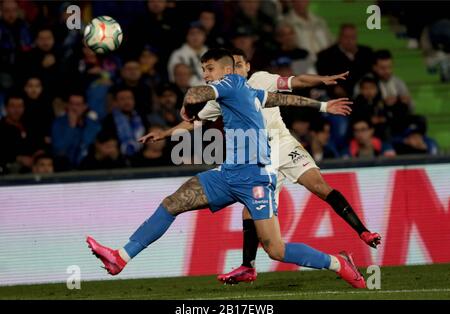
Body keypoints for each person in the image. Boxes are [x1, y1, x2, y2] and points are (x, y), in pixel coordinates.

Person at [86, 48, 365, 289]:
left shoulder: (230, 83)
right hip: (228, 174)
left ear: (227, 69)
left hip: (256, 178)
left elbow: (198, 91)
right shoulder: (247, 91)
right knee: (173, 203)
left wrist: (188, 102)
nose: (206, 74)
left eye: (209, 68)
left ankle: (338, 263)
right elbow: (283, 99)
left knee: (276, 250)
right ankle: (120, 257)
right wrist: (323, 106)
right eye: (203, 69)